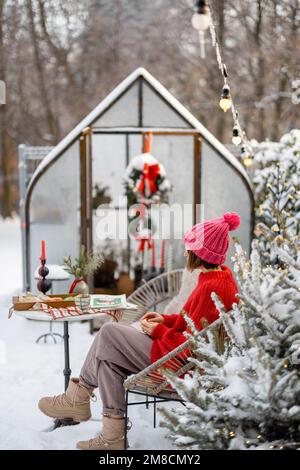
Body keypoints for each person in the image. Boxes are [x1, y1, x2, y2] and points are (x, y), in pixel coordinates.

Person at [38, 212, 240, 450]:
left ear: (201, 254)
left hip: (178, 364)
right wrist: (164, 319)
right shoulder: (216, 277)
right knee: (108, 359)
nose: (186, 253)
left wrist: (157, 331)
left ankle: (77, 398)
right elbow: (190, 321)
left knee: (109, 333)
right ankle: (112, 436)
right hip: (177, 354)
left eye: (190, 249)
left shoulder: (213, 286)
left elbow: (191, 344)